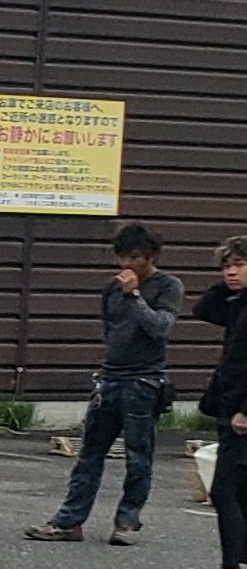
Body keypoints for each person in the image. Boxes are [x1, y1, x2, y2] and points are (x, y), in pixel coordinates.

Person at [27, 221, 181, 545]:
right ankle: (70, 521)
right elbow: (108, 326)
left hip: (144, 380)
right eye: (122, 257)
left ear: (151, 256)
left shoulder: (168, 286)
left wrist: (135, 296)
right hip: (110, 376)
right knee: (90, 453)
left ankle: (128, 520)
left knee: (139, 455)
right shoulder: (110, 288)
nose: (126, 265)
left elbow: (160, 328)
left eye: (135, 257)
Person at [189, 234, 247, 569]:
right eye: (226, 266)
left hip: (240, 411)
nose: (231, 272)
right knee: (241, 491)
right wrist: (228, 283)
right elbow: (203, 308)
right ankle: (241, 567)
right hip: (229, 404)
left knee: (224, 489)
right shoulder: (237, 304)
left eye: (239, 264)